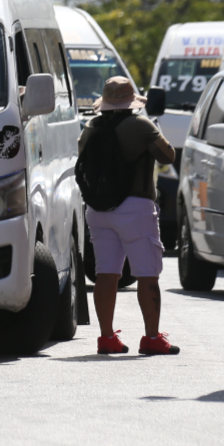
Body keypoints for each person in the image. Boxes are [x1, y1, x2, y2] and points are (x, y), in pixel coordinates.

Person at [81, 76, 179, 356]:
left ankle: (106, 337)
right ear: (130, 100)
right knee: (148, 274)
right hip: (135, 208)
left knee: (106, 274)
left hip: (98, 210)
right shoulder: (141, 125)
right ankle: (151, 338)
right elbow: (168, 156)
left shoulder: (91, 127)